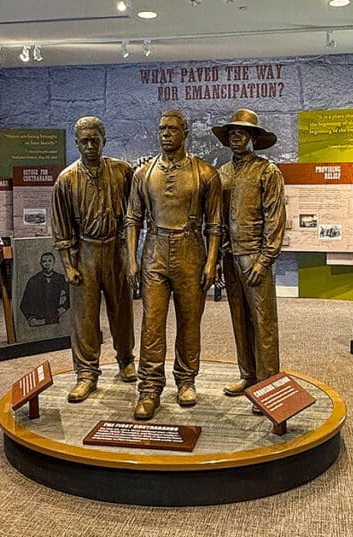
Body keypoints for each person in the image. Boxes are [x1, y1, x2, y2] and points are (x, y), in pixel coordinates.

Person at [125, 109, 223, 420]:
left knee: (190, 320)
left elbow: (215, 224)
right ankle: (150, 388)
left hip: (191, 248)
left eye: (172, 129)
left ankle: (186, 380)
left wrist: (211, 261)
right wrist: (131, 260)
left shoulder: (206, 173)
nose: (165, 133)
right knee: (152, 323)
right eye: (161, 128)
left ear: (185, 133)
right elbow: (132, 219)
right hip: (154, 251)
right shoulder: (143, 174)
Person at [51, 116, 137, 402]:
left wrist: (131, 256)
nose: (90, 146)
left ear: (104, 140)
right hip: (84, 252)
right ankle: (86, 373)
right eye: (84, 141)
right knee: (85, 317)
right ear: (76, 143)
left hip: (115, 249)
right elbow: (61, 227)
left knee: (121, 309)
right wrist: (68, 265)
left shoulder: (123, 172)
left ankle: (126, 359)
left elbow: (134, 215)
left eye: (95, 140)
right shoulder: (67, 179)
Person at [211, 109, 286, 404]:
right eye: (232, 133)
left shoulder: (267, 172)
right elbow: (215, 221)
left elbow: (275, 219)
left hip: (255, 256)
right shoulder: (222, 174)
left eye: (242, 132)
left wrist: (264, 259)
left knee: (264, 323)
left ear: (254, 138)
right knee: (239, 319)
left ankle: (269, 386)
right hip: (230, 257)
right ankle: (248, 375)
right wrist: (216, 258)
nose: (236, 137)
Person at [18, 252, 69, 327]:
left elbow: (72, 297)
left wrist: (63, 308)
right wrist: (30, 318)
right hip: (38, 320)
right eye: (44, 261)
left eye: (50, 261)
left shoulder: (61, 278)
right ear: (41, 263)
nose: (47, 264)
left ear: (54, 262)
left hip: (55, 320)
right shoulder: (33, 280)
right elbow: (24, 303)